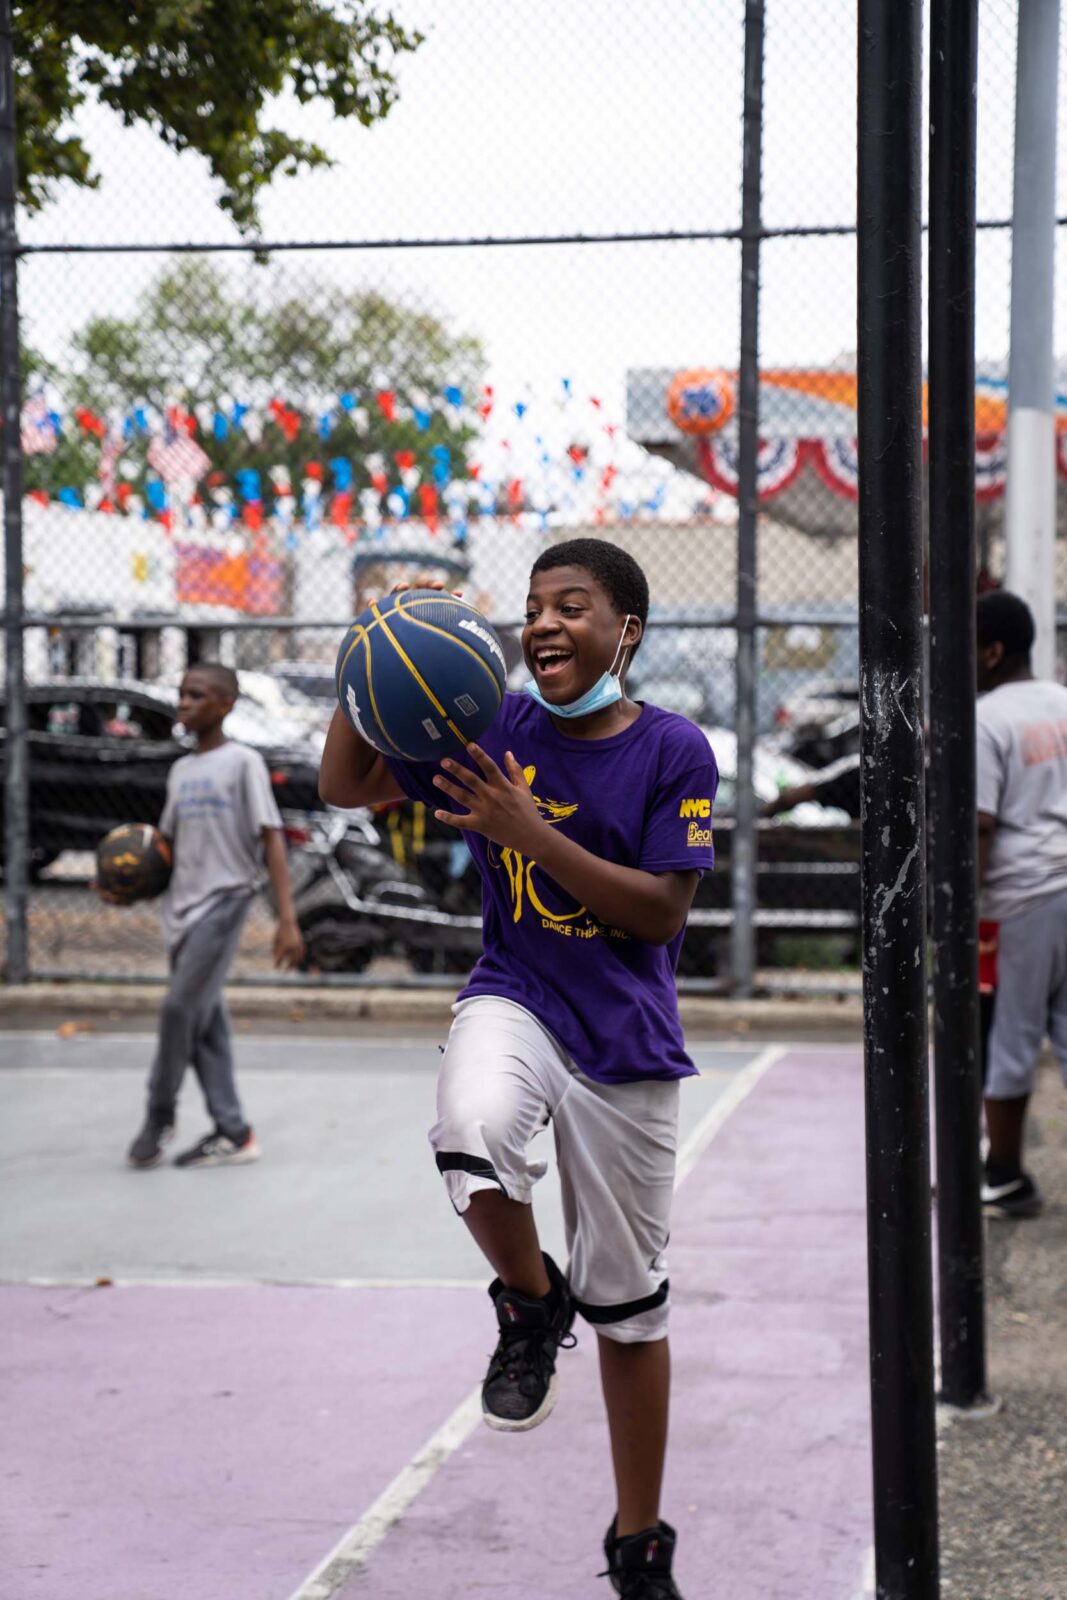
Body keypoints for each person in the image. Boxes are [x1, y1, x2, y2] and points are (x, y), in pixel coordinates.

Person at [320, 539, 718, 1599]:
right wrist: (367, 655)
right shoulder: (490, 726)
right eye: (534, 606)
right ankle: (530, 1303)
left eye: (571, 605)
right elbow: (344, 781)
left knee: (629, 1310)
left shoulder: (673, 750)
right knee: (472, 1126)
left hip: (625, 1036)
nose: (543, 622)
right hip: (518, 994)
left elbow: (660, 912)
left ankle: (638, 1544)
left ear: (624, 632)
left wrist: (528, 831)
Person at [120, 663, 305, 1169]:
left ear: (225, 705)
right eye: (181, 693)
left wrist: (287, 919)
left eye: (197, 695)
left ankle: (159, 1115)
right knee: (205, 1023)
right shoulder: (181, 770)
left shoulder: (243, 762)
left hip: (225, 902)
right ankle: (233, 1131)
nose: (184, 703)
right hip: (180, 909)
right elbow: (165, 847)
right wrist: (125, 887)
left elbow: (271, 837)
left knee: (179, 1010)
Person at [975, 590, 1067, 1219]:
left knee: (1007, 1039)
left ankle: (1004, 1174)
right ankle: (1002, 1172)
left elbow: (979, 825)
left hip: (1020, 897)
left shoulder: (986, 718)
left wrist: (956, 917)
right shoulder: (1062, 702)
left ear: (993, 652)